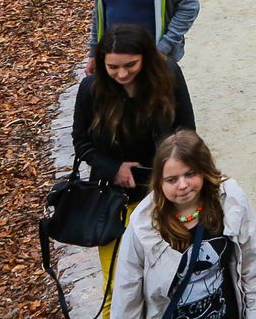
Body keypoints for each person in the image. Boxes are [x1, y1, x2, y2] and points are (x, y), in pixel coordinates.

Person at [74, 24, 197, 311]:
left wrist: (176, 173)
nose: (122, 74)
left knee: (167, 281)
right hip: (114, 201)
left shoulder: (168, 76)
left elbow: (187, 131)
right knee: (116, 287)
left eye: (130, 65)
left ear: (146, 58)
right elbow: (82, 142)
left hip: (163, 197)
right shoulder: (91, 90)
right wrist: (113, 168)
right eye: (113, 67)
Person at [109, 131, 256, 319]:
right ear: (159, 182)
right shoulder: (143, 224)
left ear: (204, 170)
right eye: (172, 180)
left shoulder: (231, 201)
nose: (182, 185)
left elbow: (253, 269)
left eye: (190, 174)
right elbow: (127, 294)